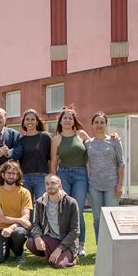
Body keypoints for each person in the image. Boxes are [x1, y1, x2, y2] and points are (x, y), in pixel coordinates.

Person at [50, 106, 89, 256]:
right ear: (60, 121)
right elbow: (53, 162)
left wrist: (113, 137)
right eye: (64, 118)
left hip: (80, 175)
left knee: (78, 210)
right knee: (65, 210)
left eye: (70, 118)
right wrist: (54, 182)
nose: (67, 120)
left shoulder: (81, 135)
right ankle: (66, 243)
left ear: (74, 121)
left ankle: (81, 244)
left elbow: (96, 143)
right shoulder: (56, 139)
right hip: (63, 175)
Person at [85, 112, 125, 244]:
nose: (99, 125)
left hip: (112, 185)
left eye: (102, 122)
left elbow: (121, 163)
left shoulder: (115, 141)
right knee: (97, 218)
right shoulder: (88, 143)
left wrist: (120, 184)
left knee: (112, 216)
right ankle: (101, 245)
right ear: (92, 125)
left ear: (106, 125)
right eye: (96, 122)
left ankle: (113, 244)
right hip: (94, 185)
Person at [26, 174, 79, 268]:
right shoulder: (40, 202)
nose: (50, 186)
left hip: (67, 242)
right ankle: (52, 255)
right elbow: (36, 224)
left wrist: (59, 249)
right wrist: (37, 237)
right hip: (50, 238)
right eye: (47, 184)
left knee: (59, 265)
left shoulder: (71, 202)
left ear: (60, 185)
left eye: (53, 183)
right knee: (31, 243)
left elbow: (75, 231)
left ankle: (71, 256)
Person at [0, 160, 32, 264]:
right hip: (0, 229)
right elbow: (1, 218)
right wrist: (20, 221)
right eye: (9, 173)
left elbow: (25, 217)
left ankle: (19, 253)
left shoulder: (25, 193)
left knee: (19, 233)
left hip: (17, 228)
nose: (11, 176)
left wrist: (12, 227)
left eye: (14, 173)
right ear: (3, 175)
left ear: (18, 176)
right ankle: (6, 246)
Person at [19, 109, 51, 204]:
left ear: (37, 122)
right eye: (27, 119)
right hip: (25, 178)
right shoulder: (21, 140)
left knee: (42, 207)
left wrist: (50, 177)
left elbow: (50, 159)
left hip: (41, 177)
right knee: (26, 207)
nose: (30, 122)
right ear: (24, 123)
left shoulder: (45, 137)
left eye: (33, 119)